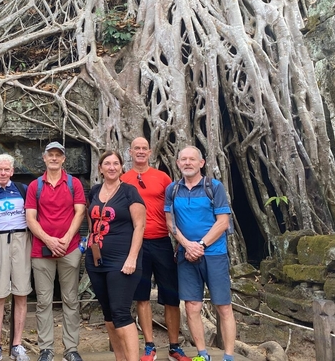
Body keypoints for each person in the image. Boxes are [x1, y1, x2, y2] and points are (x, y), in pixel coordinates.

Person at [121, 138, 190, 361]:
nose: (140, 152)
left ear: (150, 152)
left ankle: (174, 346)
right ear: (130, 152)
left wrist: (180, 239)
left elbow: (175, 210)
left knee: (171, 295)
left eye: (144, 149)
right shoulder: (123, 179)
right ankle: (149, 345)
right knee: (141, 296)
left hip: (161, 241)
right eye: (136, 149)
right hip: (137, 245)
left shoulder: (163, 178)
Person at [164, 146, 236, 361]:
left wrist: (200, 246)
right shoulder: (172, 189)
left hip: (214, 254)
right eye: (183, 159)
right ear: (177, 163)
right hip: (186, 255)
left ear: (201, 163)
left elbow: (223, 223)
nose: (187, 163)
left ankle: (229, 355)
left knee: (223, 305)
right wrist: (187, 245)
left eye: (192, 159)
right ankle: (202, 354)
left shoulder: (214, 187)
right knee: (192, 306)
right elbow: (170, 222)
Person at [25, 142, 86, 361]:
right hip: (42, 251)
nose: (53, 158)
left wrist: (66, 239)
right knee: (43, 301)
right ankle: (46, 349)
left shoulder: (74, 183)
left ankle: (71, 348)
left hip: (69, 249)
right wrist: (50, 241)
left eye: (57, 155)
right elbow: (30, 218)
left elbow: (80, 212)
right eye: (50, 155)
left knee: (70, 299)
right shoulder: (35, 186)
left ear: (63, 159)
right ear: (44, 158)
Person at [85, 150, 145, 361]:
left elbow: (139, 226)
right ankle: (120, 358)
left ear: (121, 167)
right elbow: (92, 224)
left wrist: (132, 258)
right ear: (100, 168)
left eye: (116, 163)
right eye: (107, 163)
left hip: (122, 261)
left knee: (120, 312)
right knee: (108, 314)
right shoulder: (94, 192)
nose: (111, 167)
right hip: (96, 260)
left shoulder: (130, 192)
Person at [0, 154, 31, 361]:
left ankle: (17, 344)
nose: (3, 173)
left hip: (21, 239)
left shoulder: (22, 190)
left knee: (21, 293)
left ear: (12, 171)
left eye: (6, 169)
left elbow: (33, 216)